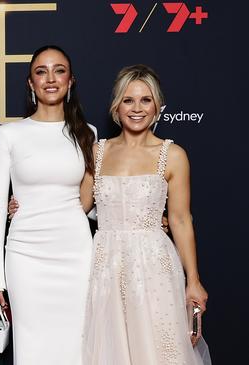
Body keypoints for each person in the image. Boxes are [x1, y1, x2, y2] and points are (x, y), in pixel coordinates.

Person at [82, 64, 210, 364]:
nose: (136, 108)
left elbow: (180, 219)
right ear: (116, 106)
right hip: (105, 265)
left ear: (157, 107)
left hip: (155, 265)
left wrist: (193, 280)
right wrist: (26, 207)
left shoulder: (173, 155)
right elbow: (76, 208)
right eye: (128, 100)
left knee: (158, 348)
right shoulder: (96, 153)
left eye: (145, 100)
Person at [0, 45, 96, 364]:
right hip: (26, 257)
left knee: (77, 345)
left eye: (59, 70)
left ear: (71, 80)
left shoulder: (87, 134)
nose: (50, 78)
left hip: (76, 254)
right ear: (30, 82)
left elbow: (89, 203)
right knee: (32, 347)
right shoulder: (10, 134)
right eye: (41, 71)